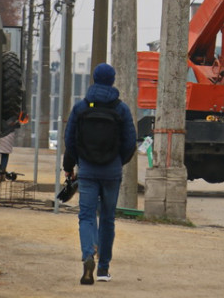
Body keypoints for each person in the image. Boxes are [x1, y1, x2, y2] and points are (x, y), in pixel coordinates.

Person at [63, 63, 136, 285]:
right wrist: (118, 161)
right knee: (107, 219)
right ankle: (103, 269)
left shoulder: (81, 107)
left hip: (87, 171)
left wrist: (73, 164)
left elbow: (70, 139)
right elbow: (130, 142)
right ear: (113, 80)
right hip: (112, 171)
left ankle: (88, 255)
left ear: (93, 80)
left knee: (86, 216)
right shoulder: (121, 109)